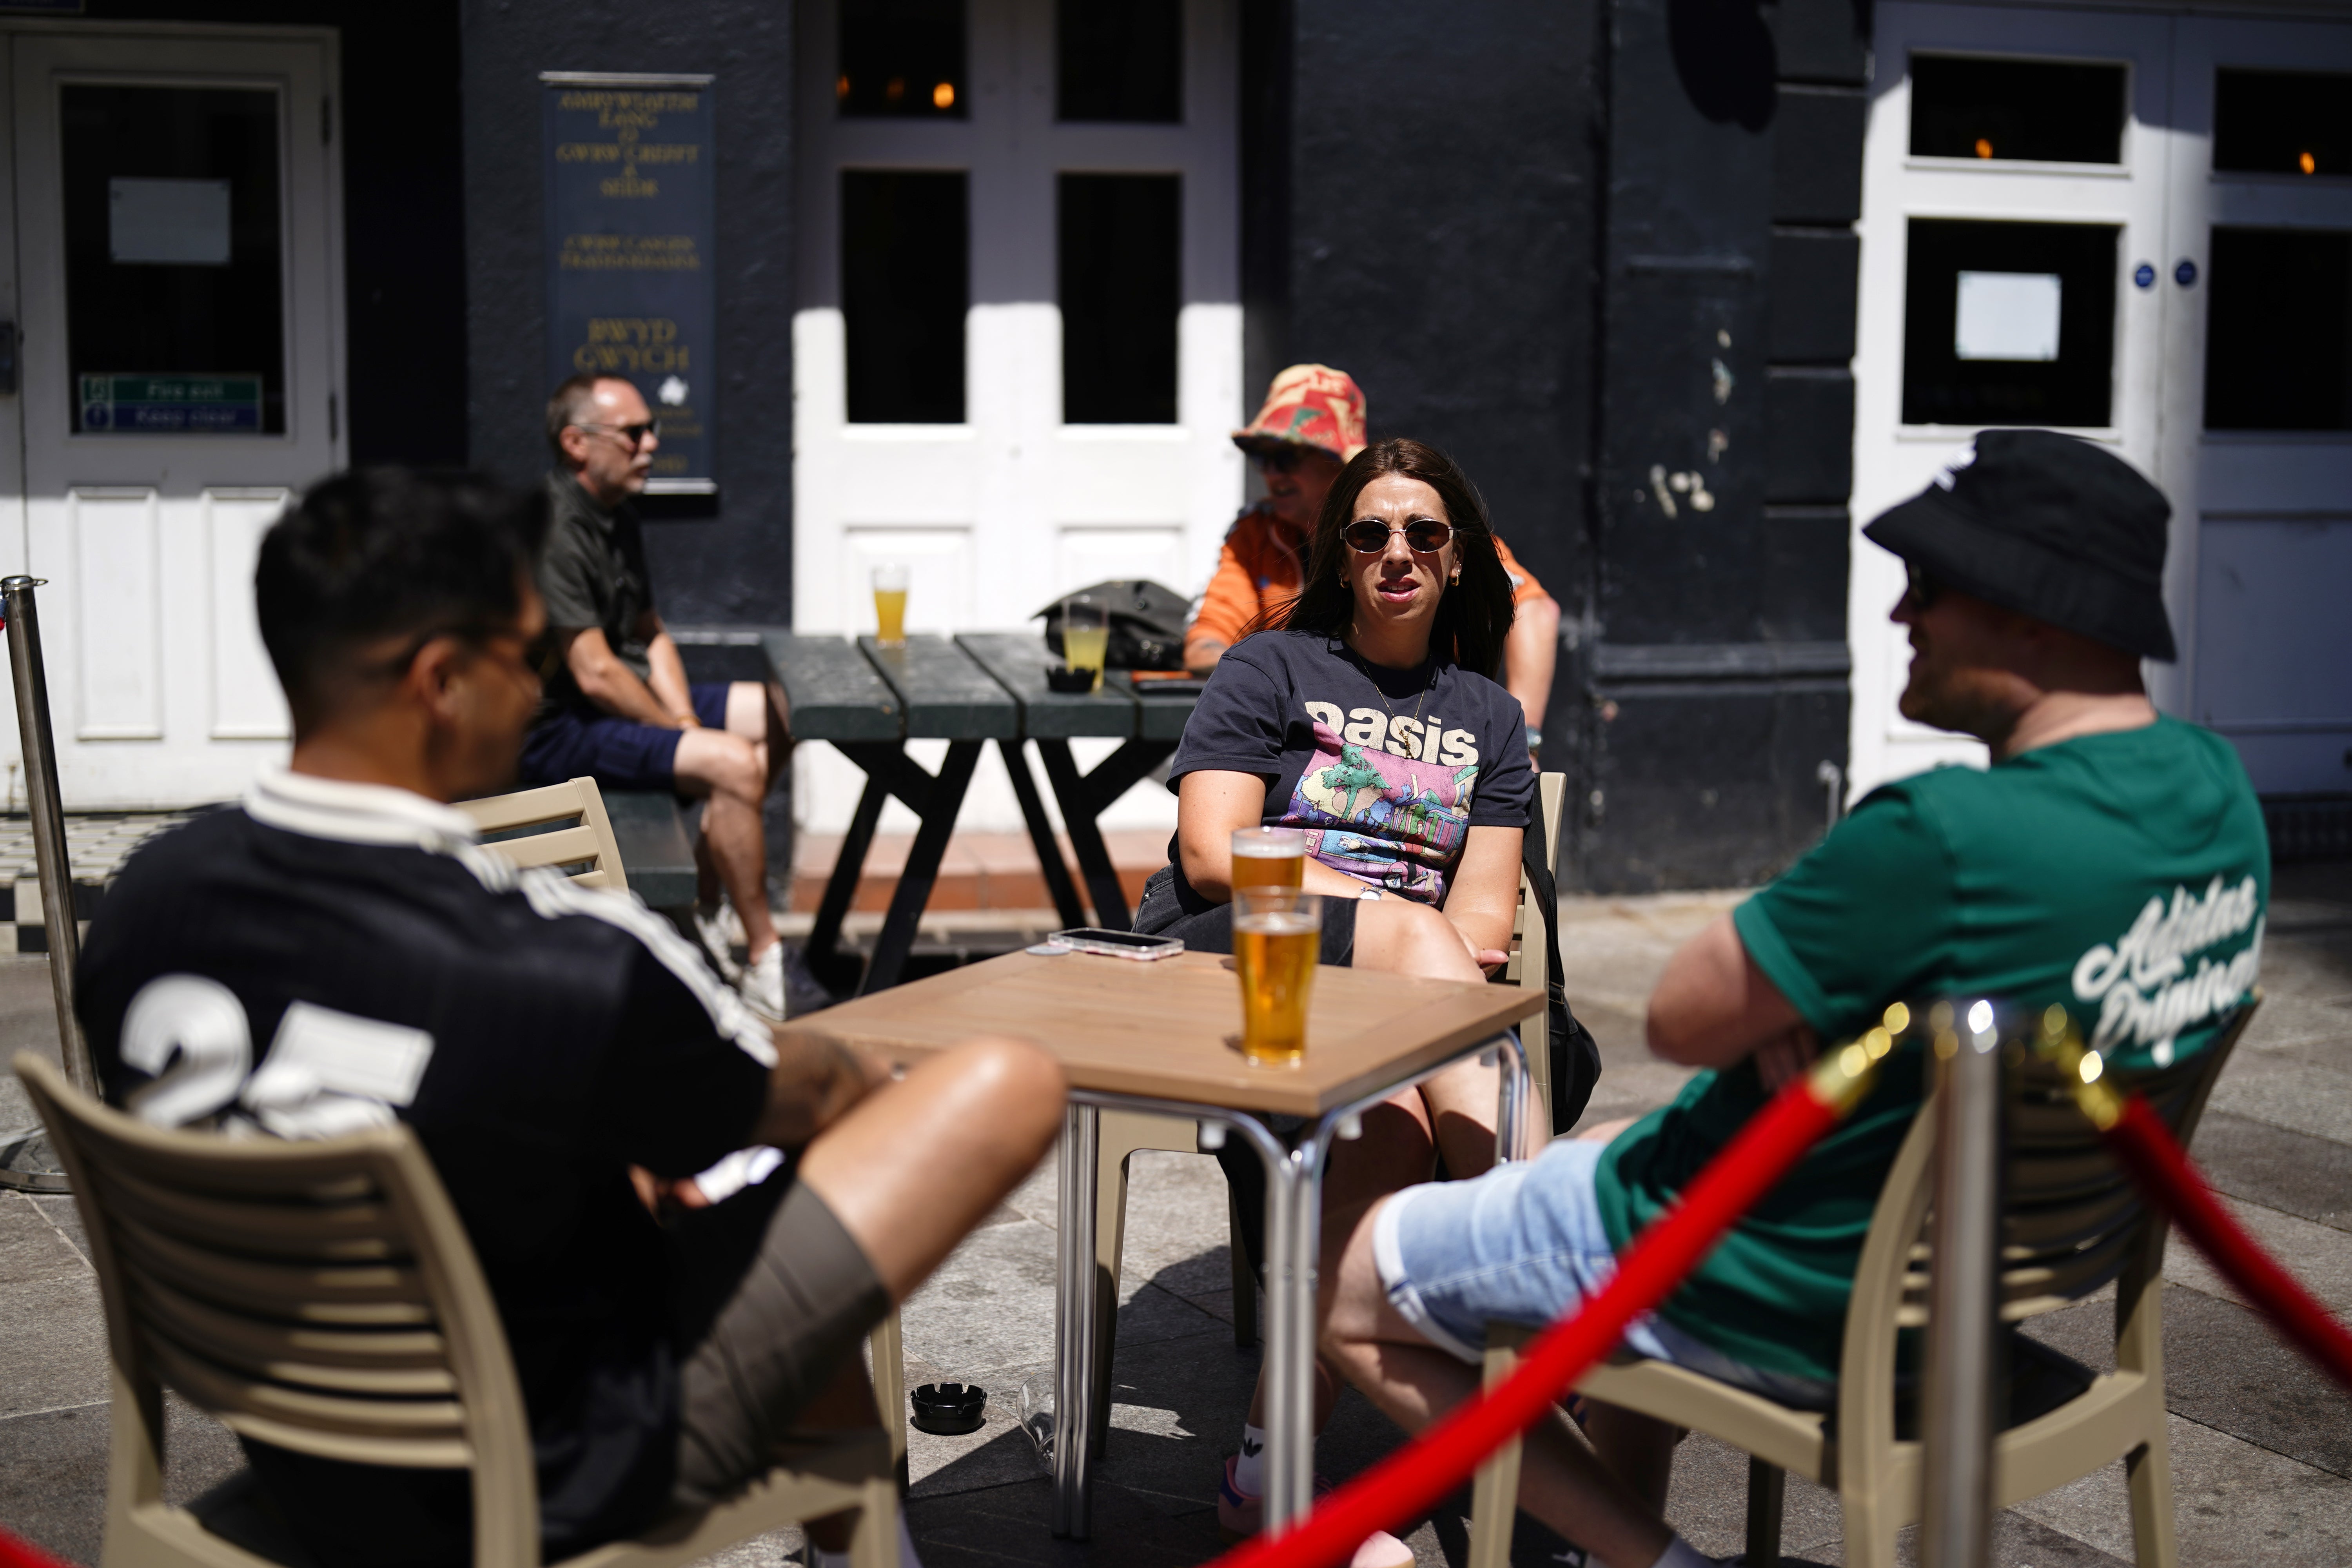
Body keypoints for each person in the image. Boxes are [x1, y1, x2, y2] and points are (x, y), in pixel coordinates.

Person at [75, 468, 1067, 1568]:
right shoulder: (563, 962)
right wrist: (833, 1081)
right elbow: (807, 1099)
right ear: (443, 681)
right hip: (544, 1464)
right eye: (532, 661)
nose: (538, 696)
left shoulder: (141, 904)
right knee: (997, 1086)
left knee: (669, 1167)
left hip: (299, 1444)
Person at [1314, 430, 2270, 1568]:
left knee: (1347, 1287)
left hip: (1782, 1273)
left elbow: (1681, 1016)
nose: (1901, 613)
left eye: (1931, 585)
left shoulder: (1942, 836)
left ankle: (1655, 1559)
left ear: (2035, 615)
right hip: (1976, 1268)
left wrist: (1817, 1002)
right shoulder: (2220, 795)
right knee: (1609, 1144)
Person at [1133, 437, 1539, 1563]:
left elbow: (1485, 924)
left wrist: (1411, 954)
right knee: (1414, 944)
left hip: (1404, 994)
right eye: (1370, 532)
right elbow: (1214, 853)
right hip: (1243, 955)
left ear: (1458, 557)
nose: (1396, 551)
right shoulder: (1269, 668)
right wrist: (1394, 919)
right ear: (1341, 555)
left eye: (1423, 532)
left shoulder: (1489, 716)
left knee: (1389, 1129)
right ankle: (1536, 1278)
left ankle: (1264, 1474)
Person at [525, 374, 791, 1018]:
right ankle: (765, 961)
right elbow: (595, 673)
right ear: (576, 444)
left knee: (782, 713)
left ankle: (706, 897)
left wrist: (683, 720)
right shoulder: (555, 529)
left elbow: (651, 634)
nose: (650, 444)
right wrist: (683, 737)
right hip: (559, 731)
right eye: (634, 433)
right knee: (733, 765)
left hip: (617, 704)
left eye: (653, 430)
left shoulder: (618, 515)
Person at [1185, 365, 1562, 761]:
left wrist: (1523, 742)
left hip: (1433, 737)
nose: (1272, 472)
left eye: (1288, 455)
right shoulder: (1255, 533)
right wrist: (1272, 677)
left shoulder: (1435, 533)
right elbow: (1206, 641)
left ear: (1339, 460)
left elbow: (1537, 610)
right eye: (1261, 457)